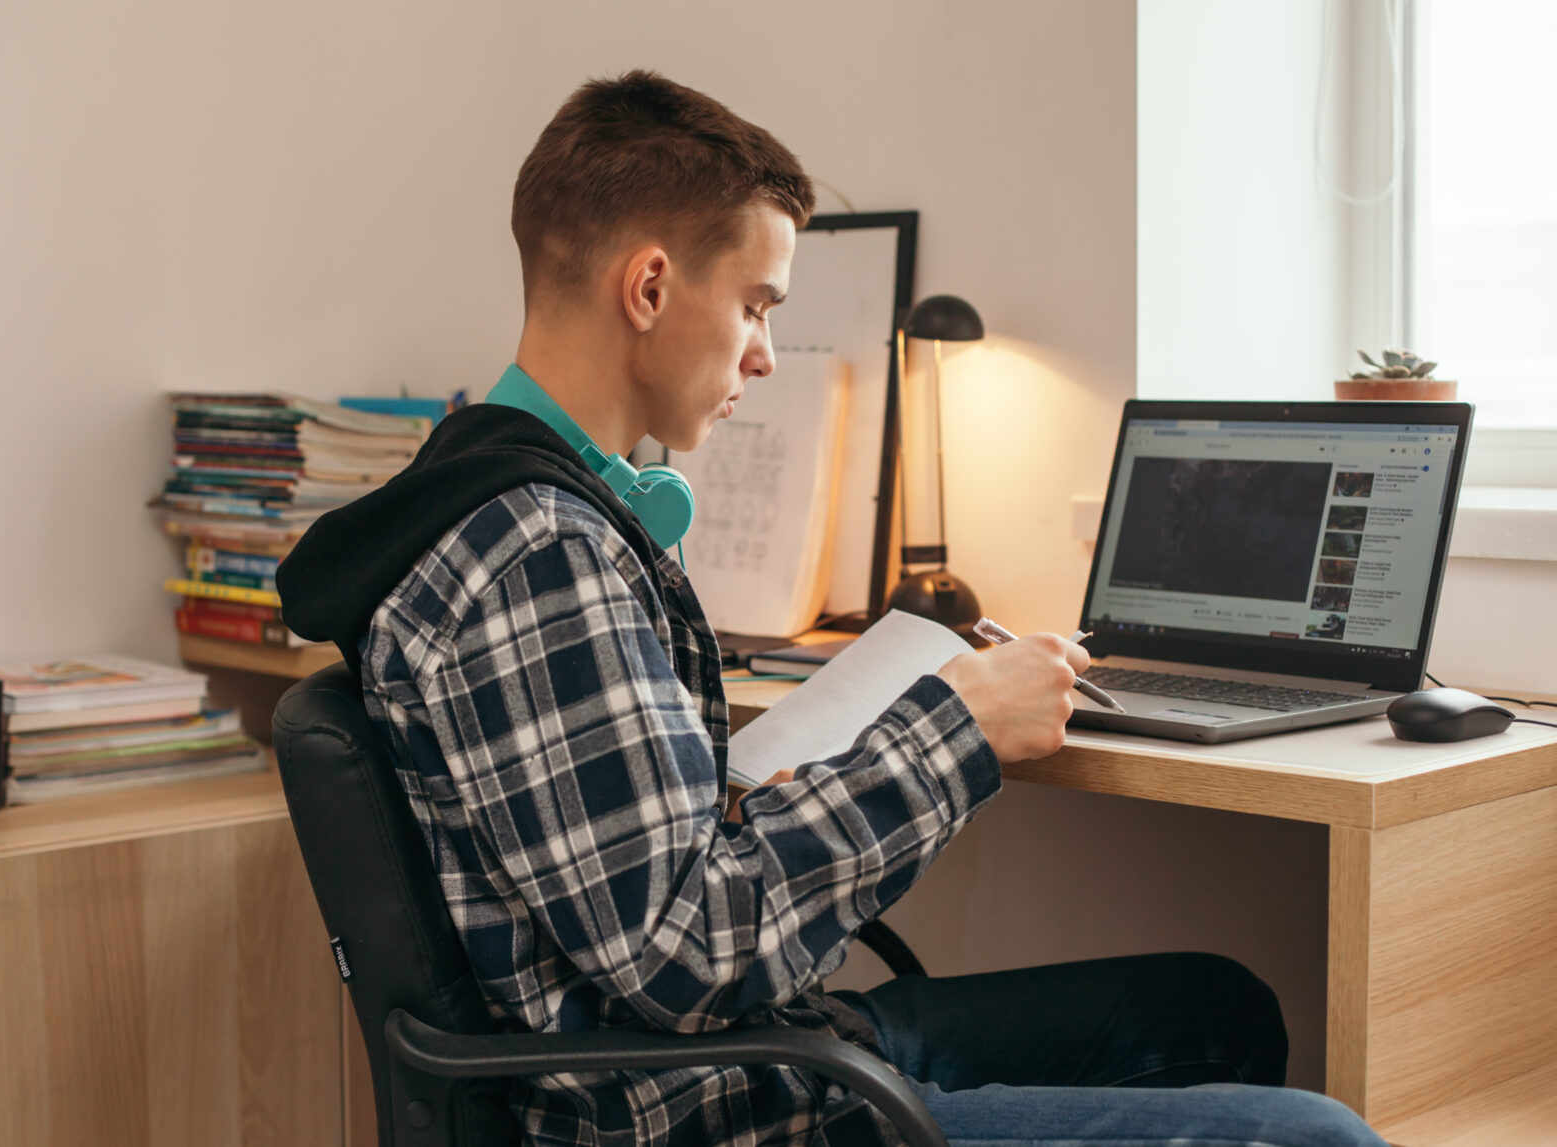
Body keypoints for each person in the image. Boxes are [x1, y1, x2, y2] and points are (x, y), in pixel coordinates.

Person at [277, 70, 1387, 1147]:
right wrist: (960, 729)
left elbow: (624, 865)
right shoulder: (536, 552)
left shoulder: (499, 495)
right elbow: (690, 945)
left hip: (746, 1045)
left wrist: (776, 784)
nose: (764, 353)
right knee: (1319, 1137)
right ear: (651, 288)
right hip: (713, 1105)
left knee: (1213, 1007)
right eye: (756, 305)